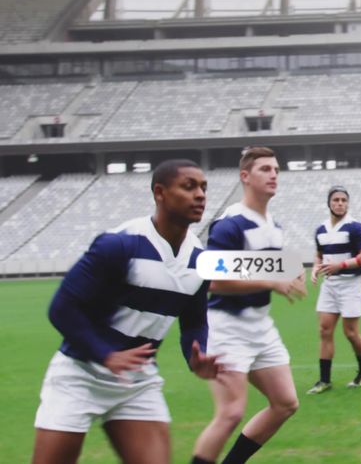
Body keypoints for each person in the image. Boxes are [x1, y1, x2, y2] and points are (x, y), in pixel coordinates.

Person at [32, 159, 221, 464]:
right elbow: (61, 308)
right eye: (189, 187)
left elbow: (194, 322)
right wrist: (106, 355)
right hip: (80, 375)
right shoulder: (119, 244)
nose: (200, 195)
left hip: (137, 382)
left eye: (203, 188)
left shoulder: (201, 260)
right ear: (160, 193)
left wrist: (195, 355)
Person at [191, 146, 307, 464]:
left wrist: (290, 271)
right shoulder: (230, 223)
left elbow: (262, 267)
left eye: (276, 170)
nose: (273, 175)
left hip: (260, 325)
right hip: (227, 326)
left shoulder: (274, 226)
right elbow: (213, 280)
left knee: (285, 403)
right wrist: (272, 282)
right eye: (265, 169)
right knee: (230, 414)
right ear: (245, 176)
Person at [306, 185, 361, 394]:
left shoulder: (355, 227)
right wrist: (315, 267)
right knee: (324, 330)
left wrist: (341, 265)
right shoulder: (321, 229)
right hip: (329, 285)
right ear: (329, 203)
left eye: (344, 200)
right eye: (336, 200)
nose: (340, 203)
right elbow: (319, 255)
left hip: (351, 284)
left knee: (351, 332)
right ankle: (324, 380)